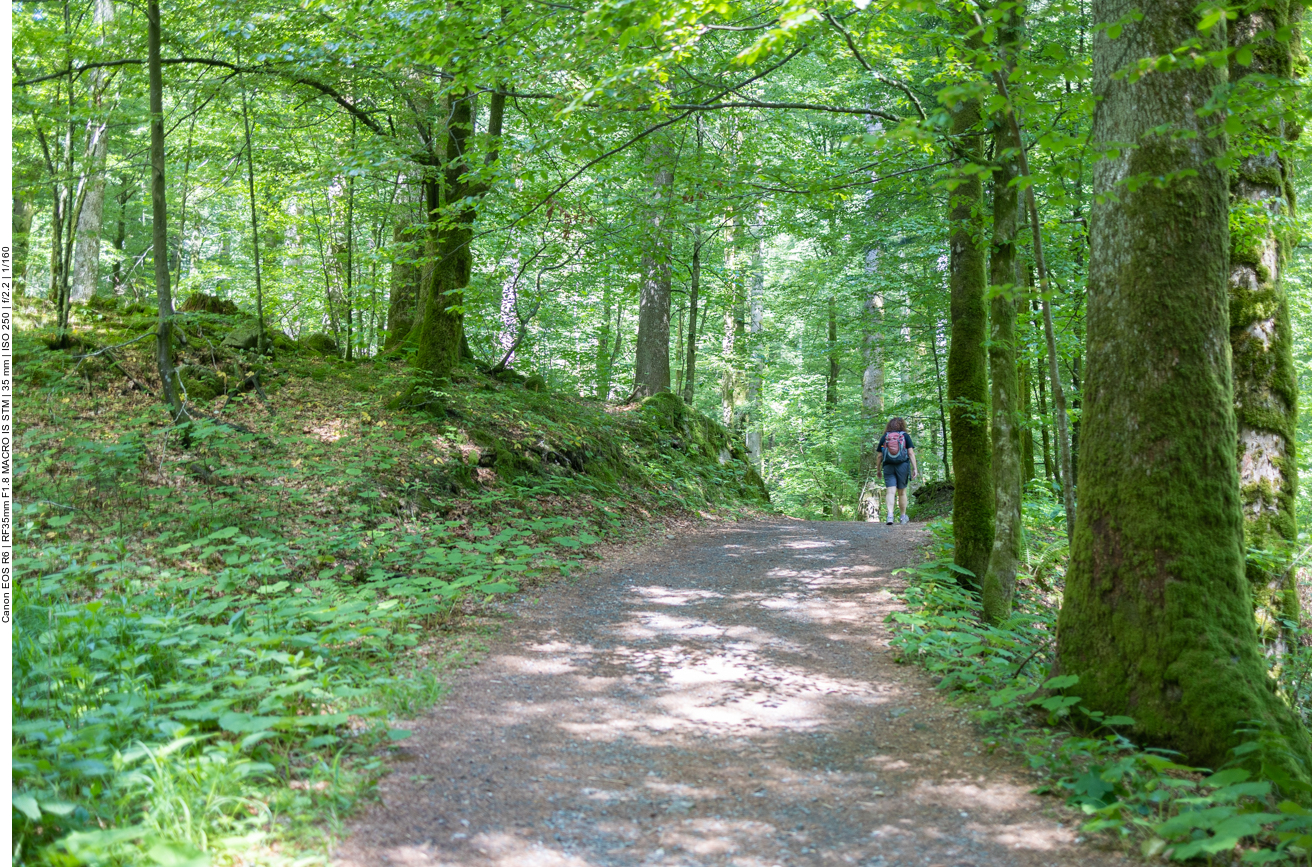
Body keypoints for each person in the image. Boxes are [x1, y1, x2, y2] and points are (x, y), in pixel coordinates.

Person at [874, 417, 918, 525]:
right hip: (902, 465)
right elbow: (911, 453)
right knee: (902, 492)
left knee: (890, 491)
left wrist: (878, 469)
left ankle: (890, 516)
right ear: (902, 425)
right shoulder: (905, 436)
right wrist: (915, 468)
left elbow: (879, 455)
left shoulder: (885, 437)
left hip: (888, 466)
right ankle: (903, 517)